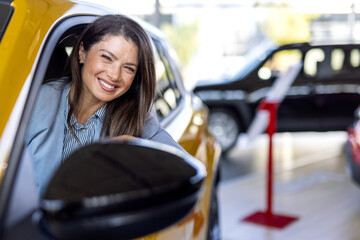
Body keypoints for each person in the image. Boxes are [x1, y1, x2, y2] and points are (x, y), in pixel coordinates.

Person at [25, 14, 188, 195]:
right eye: (107, 58)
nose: (114, 74)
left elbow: (186, 169)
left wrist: (132, 144)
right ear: (82, 52)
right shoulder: (36, 99)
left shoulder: (137, 118)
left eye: (128, 68)